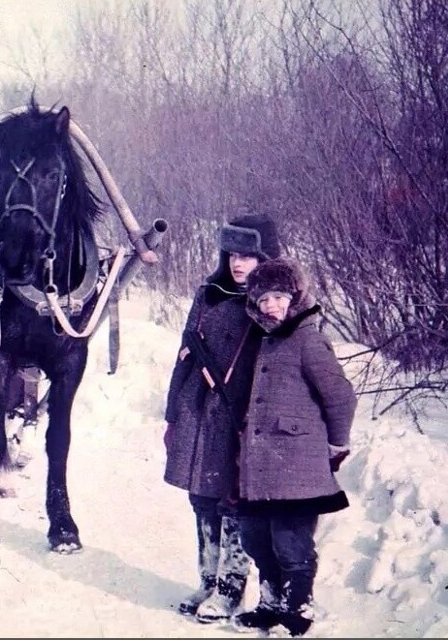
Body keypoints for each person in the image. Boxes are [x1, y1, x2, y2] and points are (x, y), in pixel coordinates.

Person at [163, 214, 282, 623]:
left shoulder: (271, 303)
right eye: (232, 253)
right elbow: (183, 352)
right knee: (201, 497)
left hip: (238, 412)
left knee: (232, 499)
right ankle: (208, 581)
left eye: (248, 255)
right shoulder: (209, 292)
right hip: (198, 408)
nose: (237, 263)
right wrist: (172, 412)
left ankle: (231, 590)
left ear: (265, 256)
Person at [232, 257, 357, 636]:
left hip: (296, 467)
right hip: (261, 468)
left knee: (291, 544)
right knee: (254, 537)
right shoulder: (267, 339)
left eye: (278, 296)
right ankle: (270, 605)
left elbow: (341, 396)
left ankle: (297, 610)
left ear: (295, 297)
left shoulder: (307, 338)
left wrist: (337, 444)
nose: (271, 305)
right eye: (263, 299)